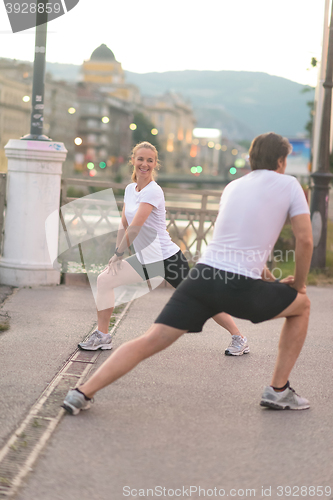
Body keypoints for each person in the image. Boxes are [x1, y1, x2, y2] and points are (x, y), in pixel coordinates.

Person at [63, 132, 312, 415]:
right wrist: (299, 285)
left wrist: (265, 275)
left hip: (203, 276)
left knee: (150, 340)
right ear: (281, 161)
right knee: (301, 305)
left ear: (251, 158)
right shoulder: (289, 185)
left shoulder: (234, 186)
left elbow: (233, 243)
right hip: (238, 283)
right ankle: (278, 390)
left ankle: (81, 393)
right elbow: (305, 241)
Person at [78, 141, 248, 357]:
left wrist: (119, 254)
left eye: (150, 160)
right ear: (133, 160)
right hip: (145, 259)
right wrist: (117, 254)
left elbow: (137, 227)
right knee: (104, 280)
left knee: (201, 299)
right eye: (140, 159)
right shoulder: (131, 189)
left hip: (167, 258)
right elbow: (125, 223)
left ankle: (239, 338)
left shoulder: (153, 191)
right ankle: (102, 336)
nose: (144, 164)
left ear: (155, 164)